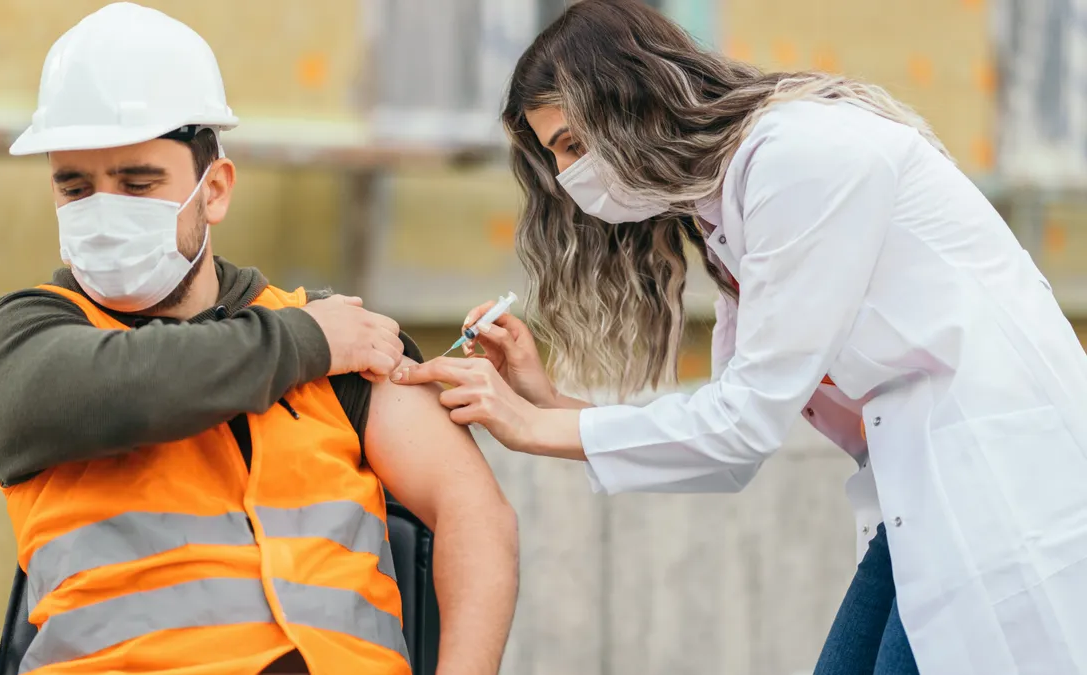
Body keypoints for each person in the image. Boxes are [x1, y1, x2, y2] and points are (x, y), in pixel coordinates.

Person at [391, 1, 1087, 673]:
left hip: (994, 484)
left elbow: (741, 426)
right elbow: (723, 439)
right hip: (926, 492)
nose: (572, 175)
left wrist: (527, 426)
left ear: (631, 99)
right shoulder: (727, 206)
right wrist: (542, 400)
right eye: (557, 156)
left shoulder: (798, 159)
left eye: (574, 142)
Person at [0, 4, 518, 674]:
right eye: (75, 187)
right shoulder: (28, 336)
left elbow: (473, 512)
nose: (104, 210)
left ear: (215, 190)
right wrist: (306, 342)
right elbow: (129, 387)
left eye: (138, 183)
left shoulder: (340, 335)